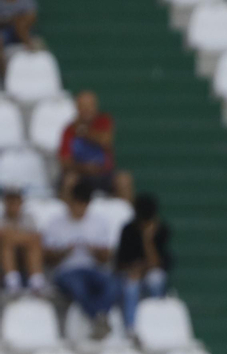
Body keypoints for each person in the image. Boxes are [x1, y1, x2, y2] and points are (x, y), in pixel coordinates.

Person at [42, 181, 118, 338]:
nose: (79, 208)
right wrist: (63, 252)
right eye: (76, 203)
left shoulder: (99, 222)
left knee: (113, 284)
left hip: (92, 269)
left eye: (83, 204)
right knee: (78, 287)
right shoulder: (55, 223)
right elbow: (46, 257)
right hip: (66, 271)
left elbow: (106, 257)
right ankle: (99, 318)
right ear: (70, 202)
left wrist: (94, 251)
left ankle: (99, 318)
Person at [58, 91, 134, 203]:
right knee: (69, 181)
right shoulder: (68, 130)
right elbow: (64, 161)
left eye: (90, 106)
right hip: (81, 175)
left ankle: (127, 217)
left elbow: (106, 141)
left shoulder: (104, 122)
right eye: (83, 106)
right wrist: (84, 168)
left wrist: (85, 132)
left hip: (104, 175)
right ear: (77, 108)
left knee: (124, 180)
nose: (87, 110)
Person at [115, 192, 171, 333]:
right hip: (131, 274)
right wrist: (134, 270)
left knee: (156, 279)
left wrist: (147, 240)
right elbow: (120, 263)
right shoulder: (127, 230)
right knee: (131, 286)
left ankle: (158, 324)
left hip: (150, 273)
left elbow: (158, 263)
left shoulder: (161, 231)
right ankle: (131, 329)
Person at [0, 186, 45, 296]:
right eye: (10, 200)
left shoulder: (29, 218)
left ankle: (36, 281)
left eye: (16, 200)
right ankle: (12, 281)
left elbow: (36, 238)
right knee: (6, 245)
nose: (13, 204)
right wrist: (21, 238)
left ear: (21, 201)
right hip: (3, 261)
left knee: (32, 245)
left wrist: (13, 237)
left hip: (24, 258)